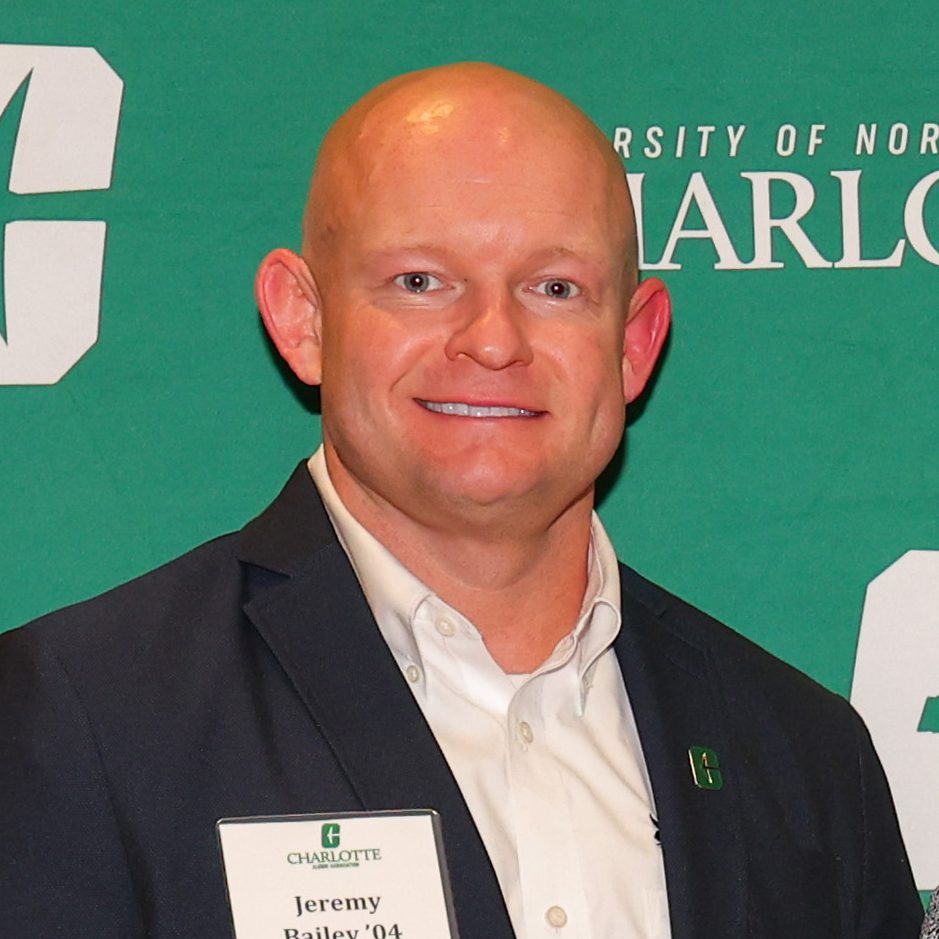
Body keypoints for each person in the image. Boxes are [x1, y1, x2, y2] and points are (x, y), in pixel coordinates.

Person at [0, 63, 922, 938]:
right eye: (420, 282)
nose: (492, 340)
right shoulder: (73, 716)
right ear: (303, 318)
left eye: (554, 287)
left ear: (633, 344)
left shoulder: (803, 754)